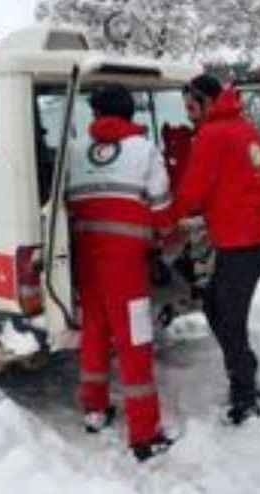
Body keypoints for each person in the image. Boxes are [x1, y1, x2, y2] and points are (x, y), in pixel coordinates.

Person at [66, 84, 173, 462]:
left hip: (85, 260)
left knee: (94, 333)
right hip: (126, 266)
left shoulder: (76, 150)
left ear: (96, 115)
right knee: (134, 342)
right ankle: (144, 434)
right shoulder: (144, 150)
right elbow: (161, 208)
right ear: (131, 114)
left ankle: (94, 411)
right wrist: (167, 237)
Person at [166, 74, 260, 425]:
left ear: (208, 102)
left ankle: (245, 395)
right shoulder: (246, 129)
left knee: (228, 317)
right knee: (216, 304)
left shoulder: (213, 134)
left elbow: (193, 189)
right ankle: (245, 370)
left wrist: (166, 219)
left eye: (191, 107)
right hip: (255, 237)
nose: (189, 115)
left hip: (242, 242)